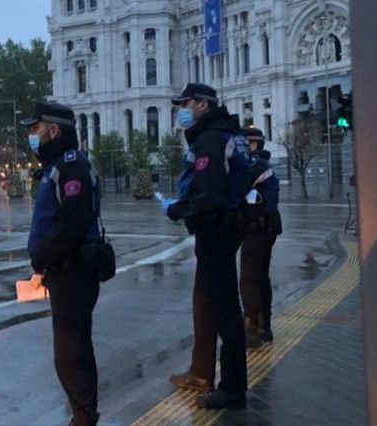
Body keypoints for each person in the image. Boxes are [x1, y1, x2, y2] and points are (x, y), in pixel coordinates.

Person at [161, 83, 250, 409]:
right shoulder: (223, 134)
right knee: (221, 305)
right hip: (225, 227)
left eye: (183, 104)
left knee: (225, 310)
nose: (179, 110)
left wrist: (176, 209)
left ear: (202, 105)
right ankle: (221, 380)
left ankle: (232, 388)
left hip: (216, 230)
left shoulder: (211, 139)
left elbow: (207, 195)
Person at [22, 101, 102, 426]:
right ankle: (83, 413)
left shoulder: (72, 168)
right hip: (65, 270)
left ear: (53, 130)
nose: (31, 135)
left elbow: (72, 223)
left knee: (71, 353)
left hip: (74, 271)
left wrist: (44, 255)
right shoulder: (58, 166)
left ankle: (84, 417)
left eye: (35, 128)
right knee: (72, 349)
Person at [239, 128, 281, 348]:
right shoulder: (262, 164)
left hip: (257, 228)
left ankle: (253, 329)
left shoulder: (255, 165)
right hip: (266, 228)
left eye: (244, 143)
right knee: (261, 277)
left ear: (253, 144)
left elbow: (238, 189)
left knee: (248, 278)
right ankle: (265, 326)